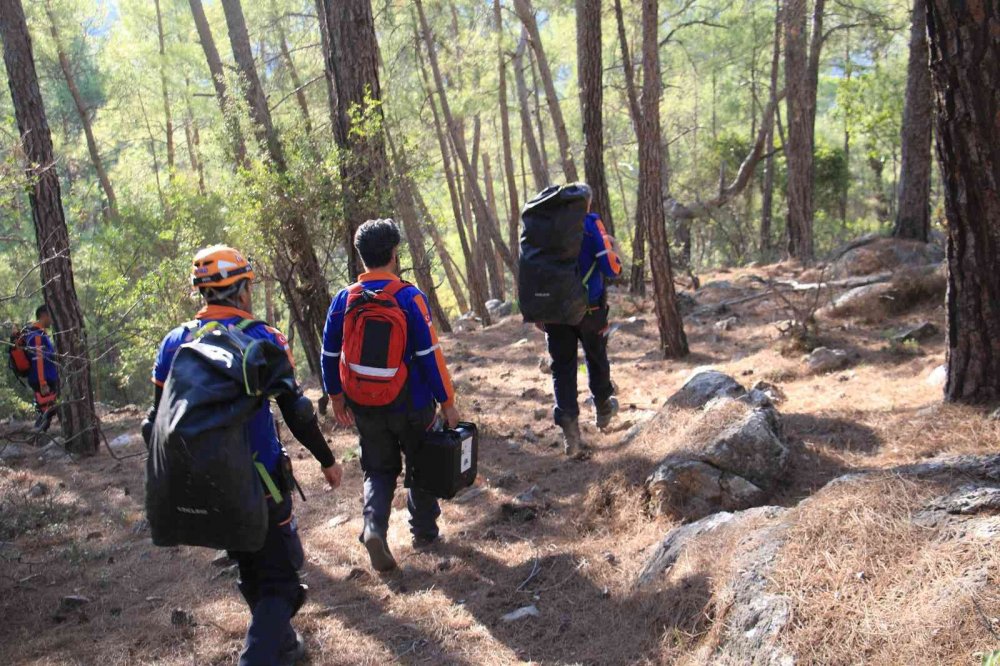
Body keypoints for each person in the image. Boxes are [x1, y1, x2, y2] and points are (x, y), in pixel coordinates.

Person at [144, 246, 344, 666]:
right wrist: (327, 460)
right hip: (261, 481)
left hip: (205, 485)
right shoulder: (263, 339)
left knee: (252, 565)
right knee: (282, 582)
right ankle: (258, 657)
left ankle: (284, 646)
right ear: (239, 290)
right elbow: (298, 412)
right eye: (248, 285)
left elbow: (155, 420)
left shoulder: (173, 342)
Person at [322, 219, 460, 572]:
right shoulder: (409, 297)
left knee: (378, 470)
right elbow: (430, 355)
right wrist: (447, 402)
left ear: (361, 257)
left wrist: (336, 397)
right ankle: (425, 533)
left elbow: (329, 354)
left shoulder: (344, 298)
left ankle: (374, 529)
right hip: (412, 402)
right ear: (395, 254)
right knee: (422, 465)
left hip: (364, 404)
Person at [544, 189, 623, 458]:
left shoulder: (544, 229)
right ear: (587, 202)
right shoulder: (590, 224)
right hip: (590, 309)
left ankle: (570, 435)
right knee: (596, 356)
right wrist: (614, 251)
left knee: (562, 368)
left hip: (555, 313)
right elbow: (611, 268)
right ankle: (602, 410)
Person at [23, 304, 59, 432]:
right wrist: (43, 383)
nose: (52, 320)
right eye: (50, 316)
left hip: (44, 378)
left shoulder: (39, 334)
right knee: (46, 412)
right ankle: (35, 438)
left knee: (47, 410)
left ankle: (37, 437)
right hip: (42, 380)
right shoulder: (37, 336)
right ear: (43, 315)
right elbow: (38, 361)